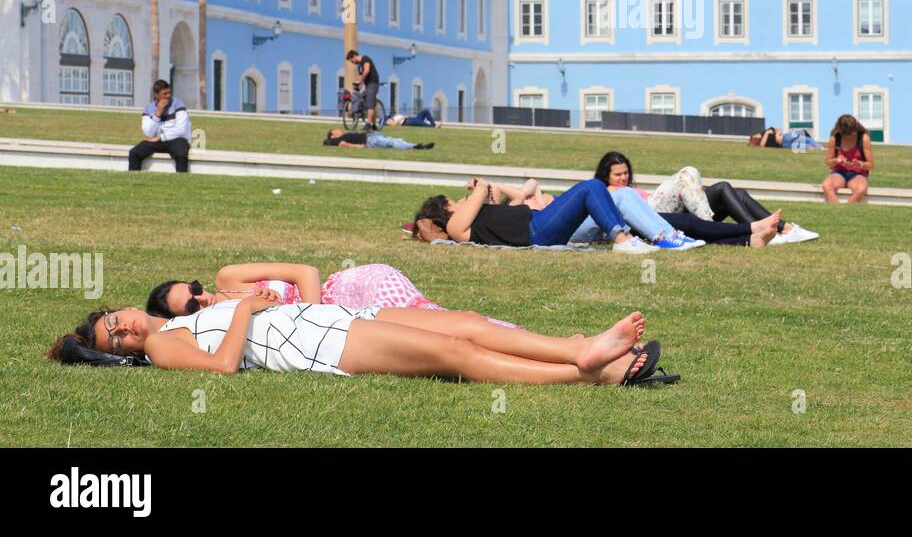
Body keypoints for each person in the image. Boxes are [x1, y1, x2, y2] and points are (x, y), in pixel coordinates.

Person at [50, 295, 676, 386]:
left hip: (325, 318)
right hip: (315, 349)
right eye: (118, 339)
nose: (128, 329)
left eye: (118, 319)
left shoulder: (180, 314)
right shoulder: (164, 347)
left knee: (461, 322)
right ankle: (586, 369)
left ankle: (577, 347)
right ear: (126, 351)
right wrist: (241, 309)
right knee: (453, 358)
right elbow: (219, 370)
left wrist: (235, 304)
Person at [145, 262, 517, 329]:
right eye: (191, 304)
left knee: (434, 316)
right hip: (343, 321)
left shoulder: (228, 277)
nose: (202, 297)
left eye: (194, 289)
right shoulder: (220, 325)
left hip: (348, 292)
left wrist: (312, 315)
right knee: (437, 325)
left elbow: (304, 272)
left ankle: (513, 335)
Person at [589, 152, 819, 246]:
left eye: (625, 173)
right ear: (605, 175)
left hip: (669, 211)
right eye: (617, 174)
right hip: (651, 215)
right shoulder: (606, 191)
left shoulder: (629, 188)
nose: (623, 178)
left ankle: (782, 228)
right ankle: (752, 231)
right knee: (686, 174)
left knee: (727, 190)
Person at [411, 178, 657, 253]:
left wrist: (485, 192)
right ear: (444, 212)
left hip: (539, 226)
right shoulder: (455, 226)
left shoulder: (468, 220)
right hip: (537, 229)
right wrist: (478, 185)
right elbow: (481, 189)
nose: (457, 203)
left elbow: (507, 198)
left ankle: (624, 237)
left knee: (592, 191)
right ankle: (623, 241)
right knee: (590, 187)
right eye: (451, 203)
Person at [128, 79, 192, 173]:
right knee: (134, 153)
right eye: (164, 94)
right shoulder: (149, 108)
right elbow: (148, 133)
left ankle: (181, 182)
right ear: (156, 95)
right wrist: (157, 114)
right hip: (158, 141)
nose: (168, 96)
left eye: (169, 93)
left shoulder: (178, 104)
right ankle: (133, 180)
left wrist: (160, 138)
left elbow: (181, 130)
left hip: (178, 139)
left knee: (181, 155)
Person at [822, 114, 872, 203]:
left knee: (860, 189)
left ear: (855, 129)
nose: (848, 136)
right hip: (839, 173)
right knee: (826, 185)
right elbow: (828, 162)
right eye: (845, 134)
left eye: (850, 133)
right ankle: (836, 211)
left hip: (858, 174)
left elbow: (870, 165)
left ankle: (846, 210)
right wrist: (835, 160)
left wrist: (860, 164)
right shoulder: (835, 138)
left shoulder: (863, 138)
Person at [345, 49, 381, 130]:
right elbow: (361, 76)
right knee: (366, 100)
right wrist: (357, 84)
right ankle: (374, 124)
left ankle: (368, 124)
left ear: (354, 57)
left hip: (373, 83)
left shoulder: (365, 59)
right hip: (367, 84)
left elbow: (367, 70)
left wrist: (360, 81)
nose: (352, 63)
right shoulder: (359, 66)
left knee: (370, 104)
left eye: (352, 61)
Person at [324, 128, 433, 151]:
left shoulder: (343, 136)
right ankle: (414, 147)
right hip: (369, 140)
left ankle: (414, 145)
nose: (339, 130)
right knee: (390, 142)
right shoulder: (337, 140)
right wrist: (360, 146)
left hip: (371, 136)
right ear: (332, 135)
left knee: (395, 140)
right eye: (336, 130)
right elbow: (343, 144)